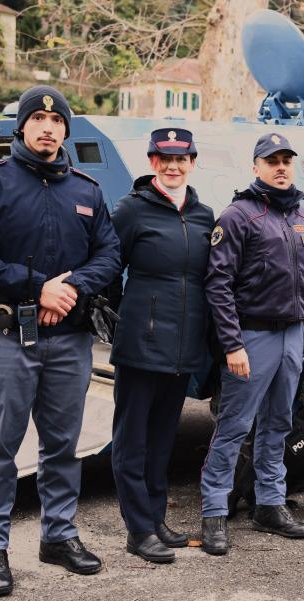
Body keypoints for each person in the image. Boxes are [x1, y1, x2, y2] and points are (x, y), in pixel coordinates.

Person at [0, 85, 121, 596]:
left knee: (63, 448)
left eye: (57, 120)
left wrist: (70, 287)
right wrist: (36, 285)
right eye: (38, 118)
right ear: (22, 127)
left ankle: (59, 536)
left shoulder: (86, 191)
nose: (48, 127)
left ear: (66, 130)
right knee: (0, 448)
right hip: (6, 336)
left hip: (68, 341)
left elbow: (109, 256)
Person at [201, 132, 304, 555]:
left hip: (293, 335)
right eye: (271, 160)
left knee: (279, 423)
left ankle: (270, 504)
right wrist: (232, 343)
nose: (280, 167)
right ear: (255, 166)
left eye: (286, 161)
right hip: (252, 335)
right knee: (235, 426)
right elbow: (218, 284)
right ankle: (215, 511)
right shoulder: (238, 216)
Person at [108, 128, 214, 564]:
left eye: (181, 158)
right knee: (132, 440)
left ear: (192, 161)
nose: (173, 166)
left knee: (162, 439)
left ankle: (155, 518)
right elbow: (109, 270)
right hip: (141, 342)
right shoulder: (131, 211)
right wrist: (121, 321)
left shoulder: (205, 214)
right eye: (164, 158)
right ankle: (138, 530)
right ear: (152, 160)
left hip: (184, 345)